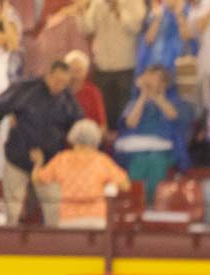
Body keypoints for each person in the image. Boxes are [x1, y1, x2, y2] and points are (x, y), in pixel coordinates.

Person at [0, 61, 82, 225]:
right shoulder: (25, 89)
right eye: (57, 81)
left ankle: (54, 246)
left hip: (49, 162)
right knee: (12, 209)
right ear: (48, 75)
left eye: (64, 83)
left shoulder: (67, 99)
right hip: (18, 157)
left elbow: (78, 126)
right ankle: (9, 246)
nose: (59, 86)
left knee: (54, 207)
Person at [31, 118, 130, 228]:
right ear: (96, 138)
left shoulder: (62, 159)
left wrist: (38, 163)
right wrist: (109, 185)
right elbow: (125, 185)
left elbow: (38, 180)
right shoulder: (102, 160)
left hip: (69, 220)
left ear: (72, 137)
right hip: (96, 219)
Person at [116, 64, 192, 202]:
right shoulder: (134, 102)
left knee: (155, 161)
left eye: (154, 78)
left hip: (164, 150)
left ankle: (152, 205)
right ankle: (136, 204)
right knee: (139, 163)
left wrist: (157, 96)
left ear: (164, 83)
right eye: (147, 77)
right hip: (136, 150)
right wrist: (143, 96)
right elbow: (130, 123)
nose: (149, 81)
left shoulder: (176, 102)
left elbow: (172, 115)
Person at [78, 0, 145, 129]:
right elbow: (87, 28)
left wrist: (117, 8)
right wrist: (81, 11)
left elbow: (136, 27)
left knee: (123, 110)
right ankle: (107, 145)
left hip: (125, 65)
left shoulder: (134, 2)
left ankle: (123, 141)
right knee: (105, 111)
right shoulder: (97, 3)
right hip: (102, 65)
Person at [0, 0, 19, 181]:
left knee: (1, 135)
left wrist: (4, 16)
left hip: (0, 90)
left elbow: (12, 44)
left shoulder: (7, 29)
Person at [136, 0, 193, 78]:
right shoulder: (157, 11)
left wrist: (179, 15)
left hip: (177, 66)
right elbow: (148, 39)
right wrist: (158, 18)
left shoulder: (189, 11)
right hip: (155, 65)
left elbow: (187, 37)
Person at [64, 50, 106, 129]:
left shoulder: (93, 92)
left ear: (85, 72)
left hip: (86, 137)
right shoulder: (58, 91)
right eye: (71, 71)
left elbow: (102, 125)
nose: (74, 75)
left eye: (78, 71)